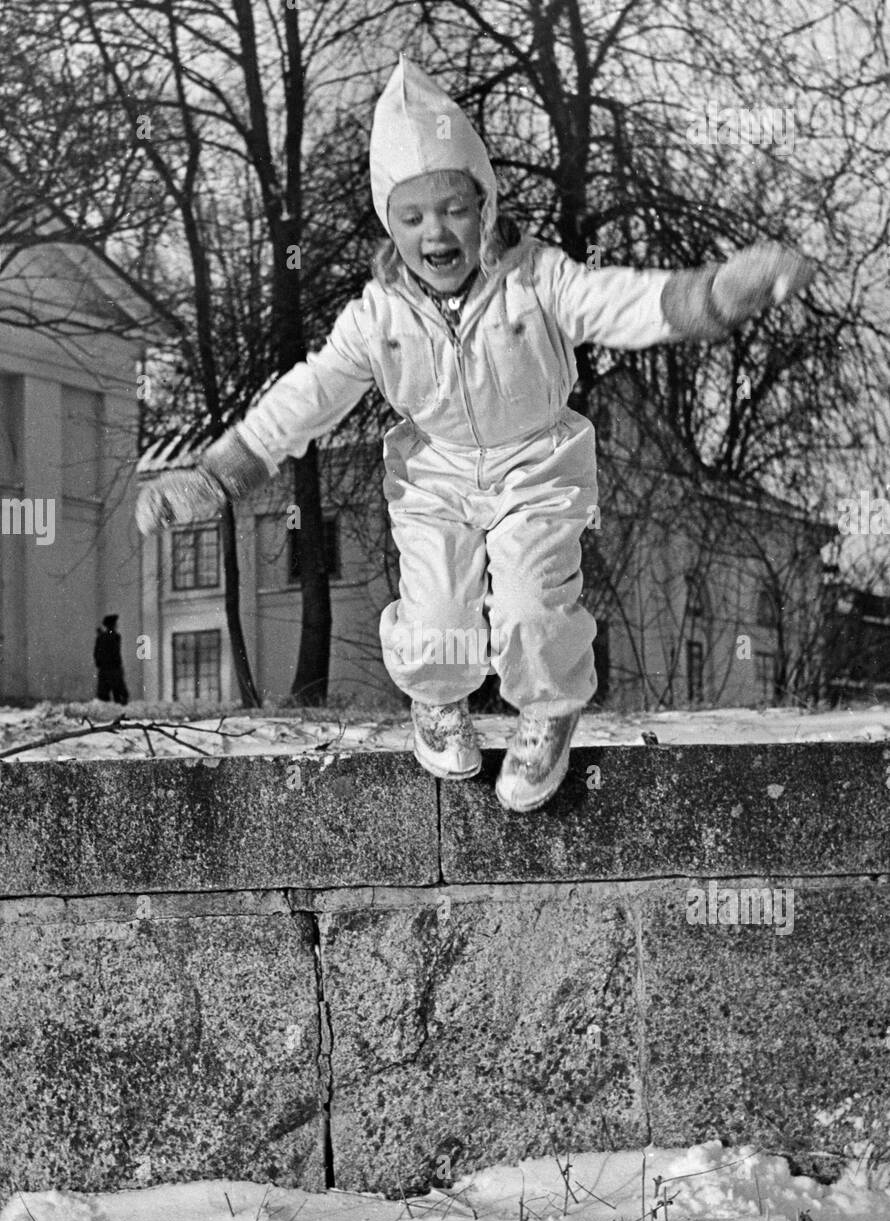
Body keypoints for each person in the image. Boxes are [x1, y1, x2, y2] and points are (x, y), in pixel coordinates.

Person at [135, 56, 814, 812]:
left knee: (530, 605)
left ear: (485, 208)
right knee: (435, 624)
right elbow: (308, 397)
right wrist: (214, 476)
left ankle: (549, 707)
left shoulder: (537, 280)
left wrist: (714, 294)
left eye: (454, 208)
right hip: (436, 476)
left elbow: (619, 300)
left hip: (538, 465)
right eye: (414, 216)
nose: (437, 232)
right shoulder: (376, 317)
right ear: (391, 225)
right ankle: (437, 701)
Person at [94, 613, 129, 704]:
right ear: (113, 625)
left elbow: (96, 654)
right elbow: (115, 652)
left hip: (103, 669)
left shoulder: (101, 637)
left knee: (103, 696)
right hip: (114, 669)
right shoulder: (116, 636)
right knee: (120, 694)